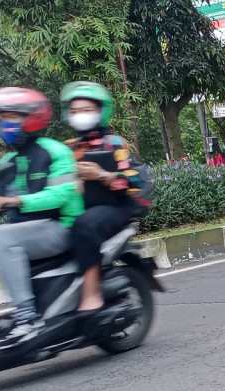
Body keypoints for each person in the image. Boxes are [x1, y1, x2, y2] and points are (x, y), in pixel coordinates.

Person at [0, 87, 83, 346]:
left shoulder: (55, 151)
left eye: (11, 117)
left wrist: (14, 200)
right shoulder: (9, 159)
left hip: (60, 227)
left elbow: (62, 194)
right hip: (25, 231)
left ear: (31, 118)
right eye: (2, 119)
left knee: (0, 239)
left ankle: (27, 317)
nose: (4, 125)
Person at [60, 81, 150, 312]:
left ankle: (91, 293)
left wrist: (101, 175)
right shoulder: (66, 148)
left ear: (100, 111)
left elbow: (133, 181)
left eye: (87, 109)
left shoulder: (115, 144)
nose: (80, 115)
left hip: (115, 207)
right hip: (77, 207)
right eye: (76, 110)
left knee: (83, 225)